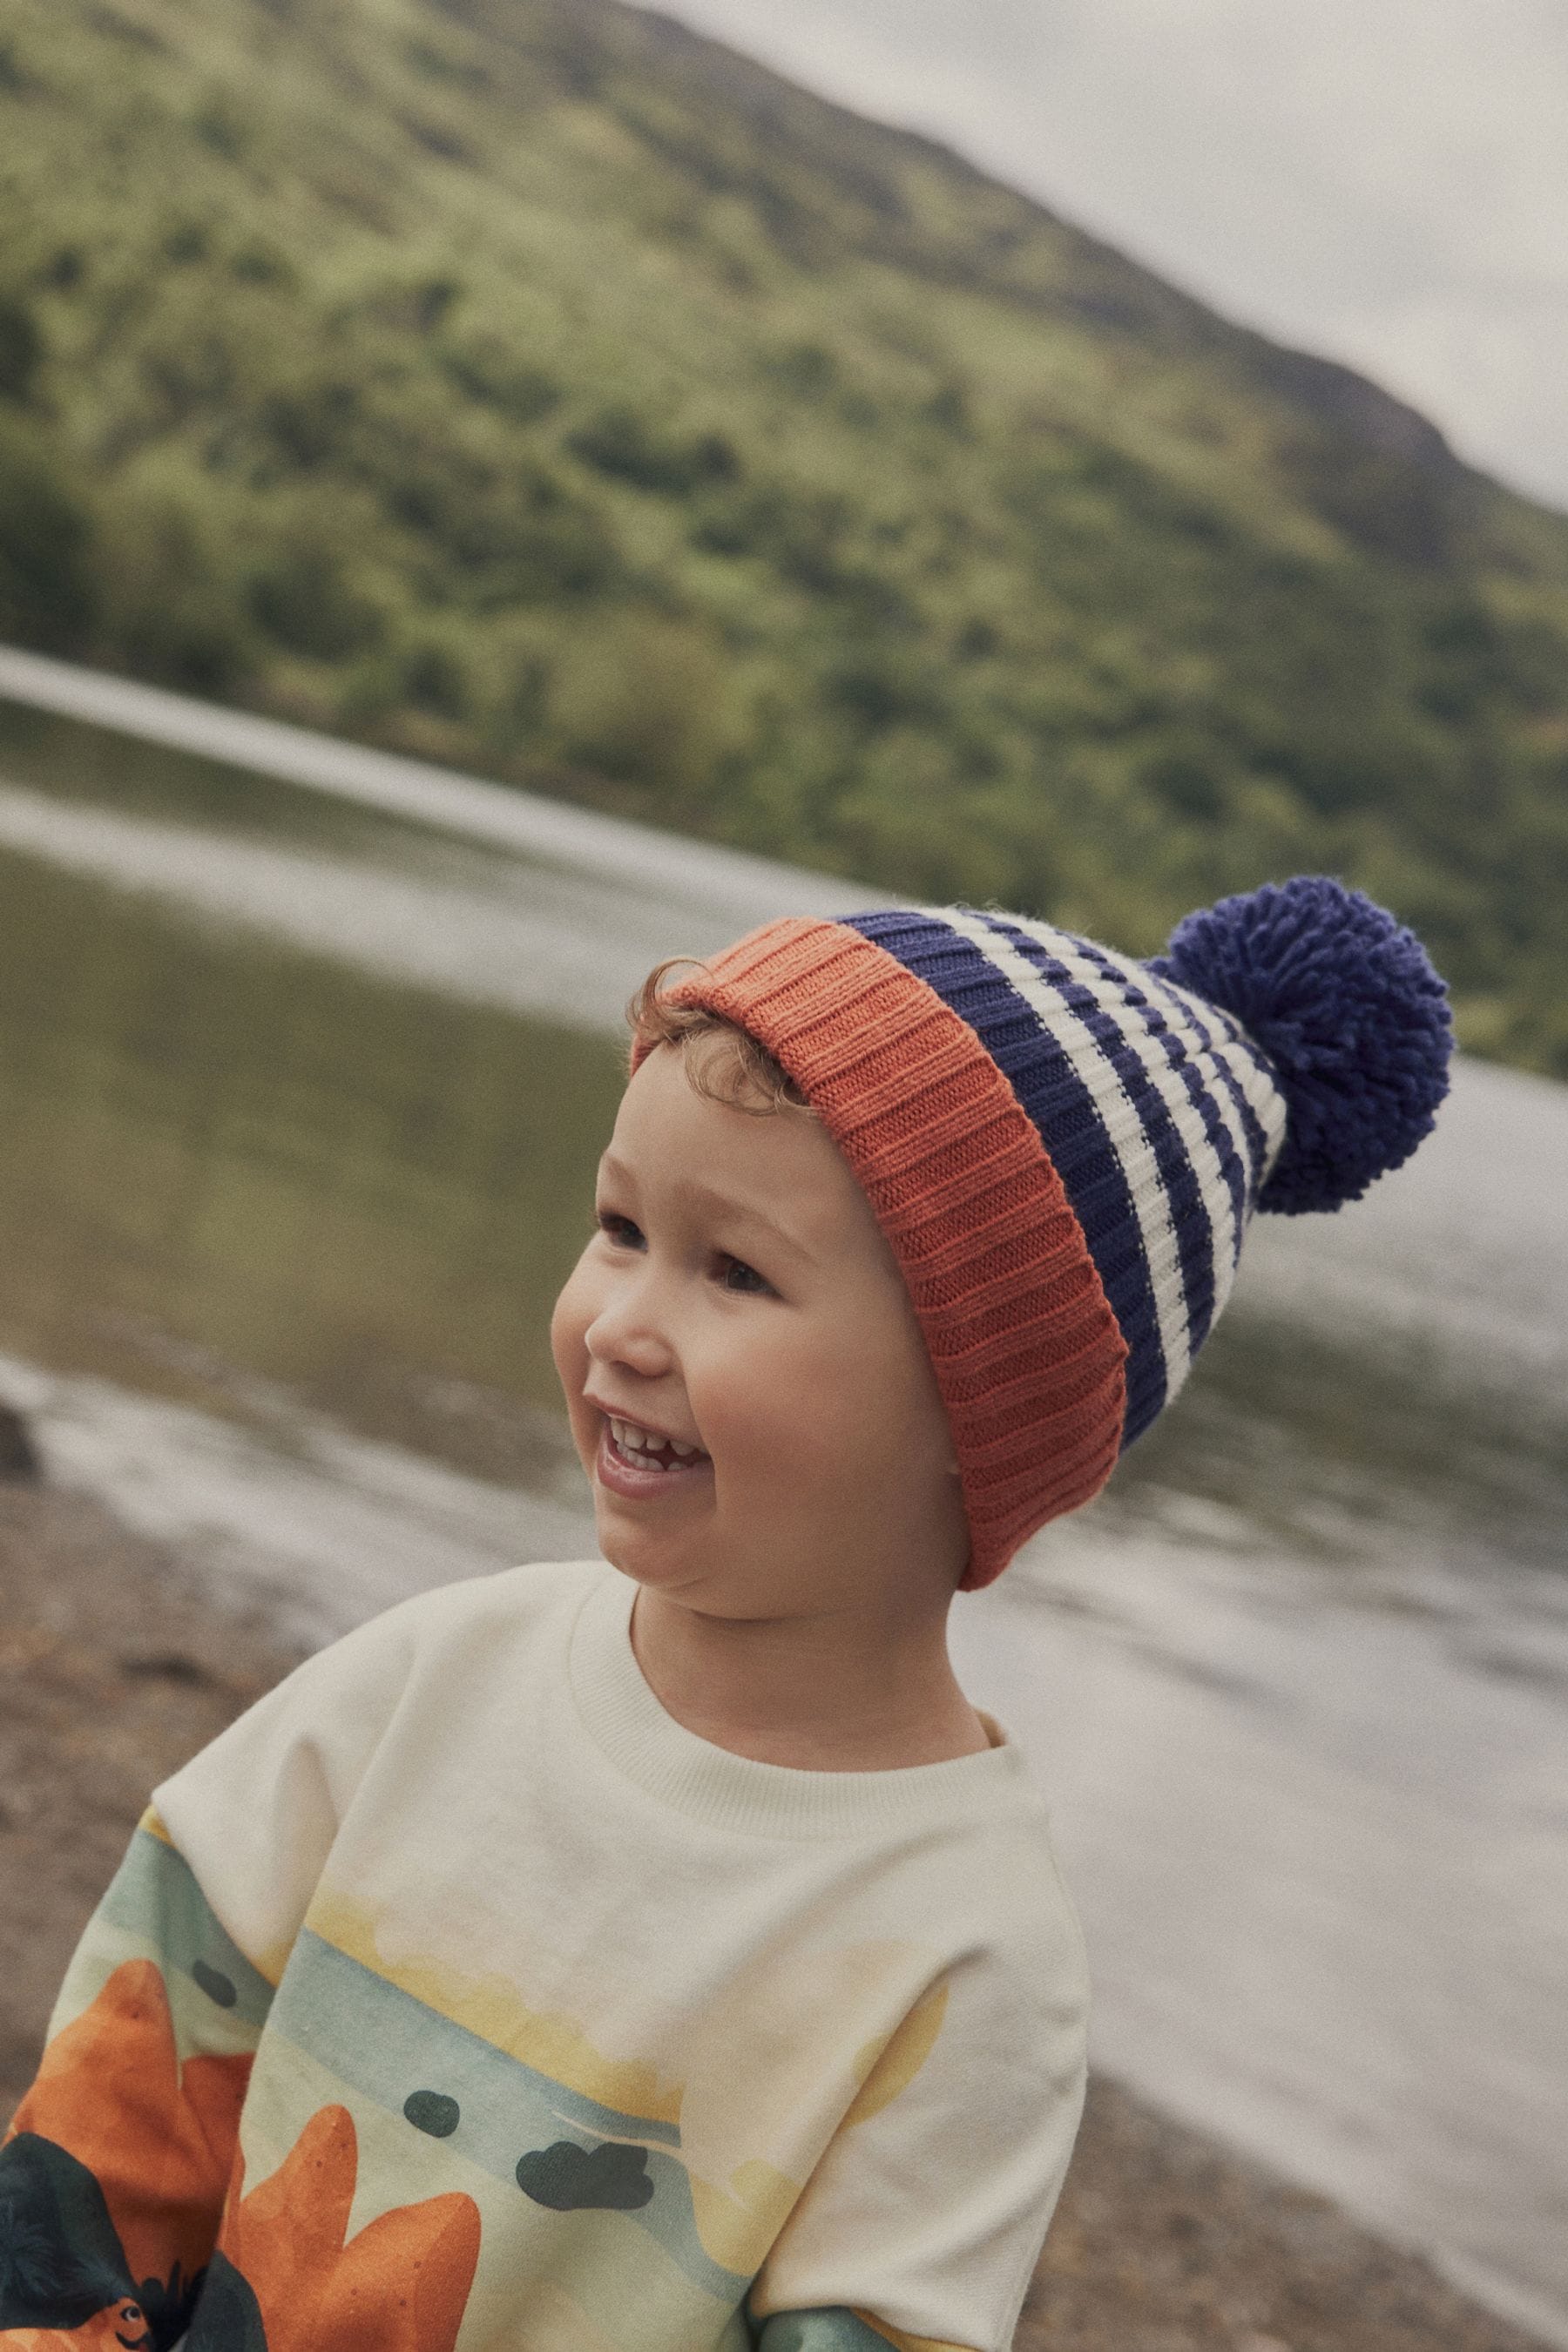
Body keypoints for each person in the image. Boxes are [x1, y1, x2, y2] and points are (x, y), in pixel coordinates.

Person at [0, 878, 1451, 2352]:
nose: (622, 1323)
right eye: (619, 1226)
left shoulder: (959, 1955)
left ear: (980, 1405)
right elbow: (144, 2060)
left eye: (736, 1270)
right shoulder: (441, 1673)